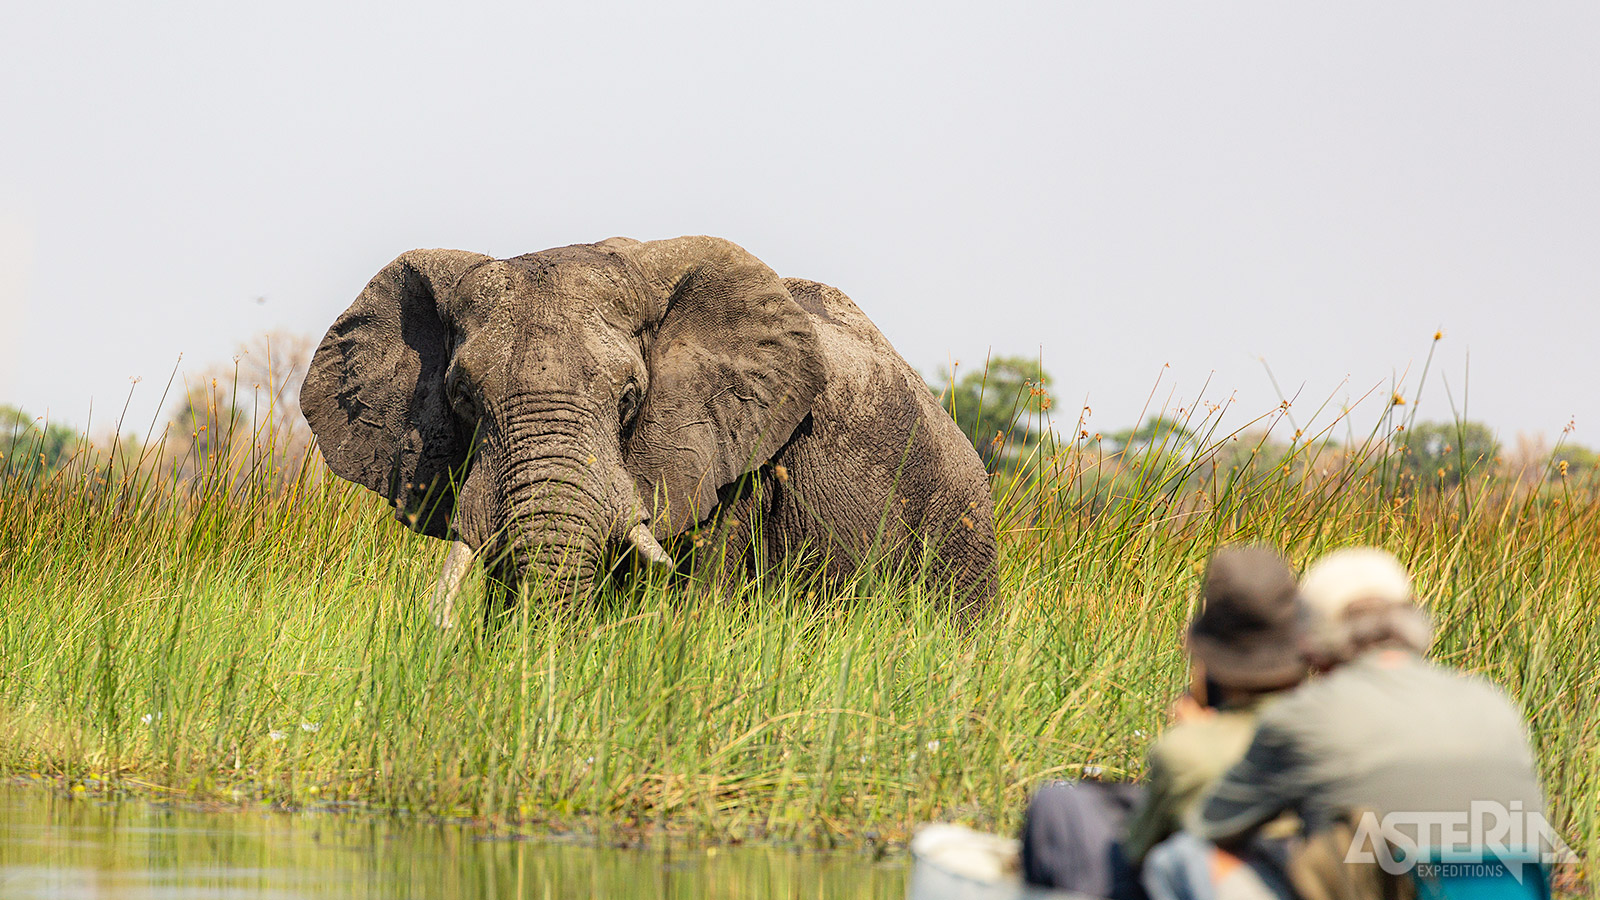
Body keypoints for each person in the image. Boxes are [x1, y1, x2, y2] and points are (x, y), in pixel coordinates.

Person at [1145, 548, 1549, 900]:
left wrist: (1196, 736)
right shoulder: (1495, 704)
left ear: (1314, 636)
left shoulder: (1306, 715)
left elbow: (1208, 825)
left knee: (1181, 858)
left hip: (1397, 890)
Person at [1021, 546, 1310, 897]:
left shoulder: (1188, 752)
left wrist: (1193, 737)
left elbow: (1136, 849)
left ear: (1209, 659)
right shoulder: (1334, 733)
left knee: (1059, 804)